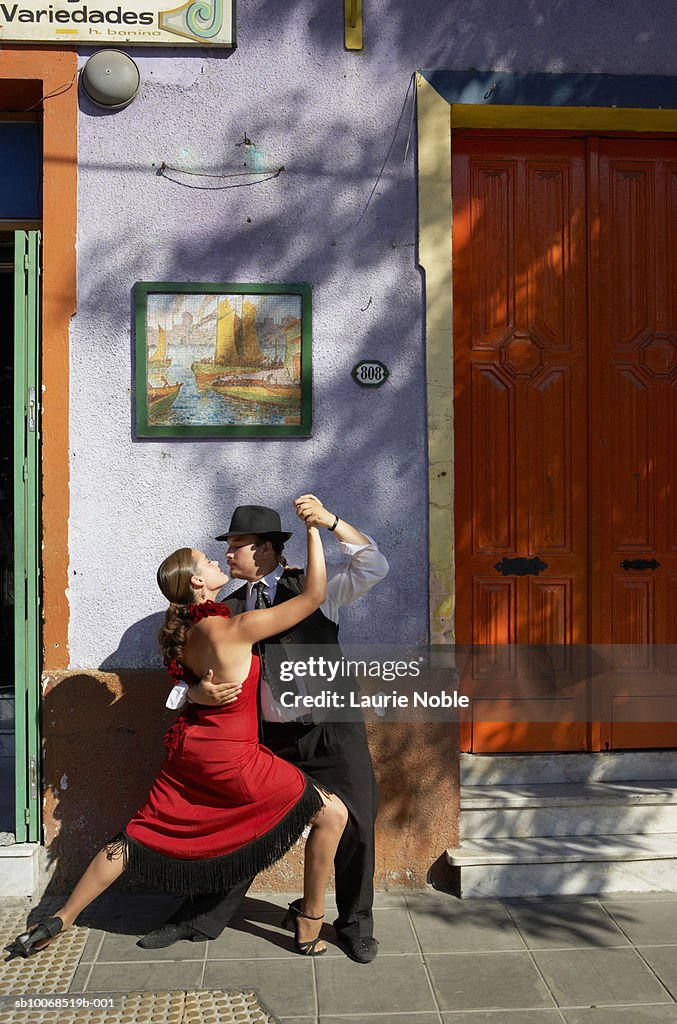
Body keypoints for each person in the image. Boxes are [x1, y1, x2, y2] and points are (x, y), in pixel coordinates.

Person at [11, 519, 348, 959]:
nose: (217, 559)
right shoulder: (233, 627)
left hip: (190, 750)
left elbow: (185, 687)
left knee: (136, 835)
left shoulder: (182, 633)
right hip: (233, 758)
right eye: (208, 560)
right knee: (333, 814)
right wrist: (313, 531)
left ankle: (61, 917)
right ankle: (310, 922)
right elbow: (315, 596)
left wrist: (193, 692)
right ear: (197, 581)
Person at [139, 495, 389, 964]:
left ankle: (354, 924)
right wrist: (192, 696)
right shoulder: (223, 610)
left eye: (238, 544)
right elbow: (184, 674)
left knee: (356, 824)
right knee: (247, 828)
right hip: (265, 741)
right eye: (227, 547)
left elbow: (374, 566)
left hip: (332, 728)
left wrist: (331, 522)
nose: (229, 553)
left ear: (268, 549)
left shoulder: (313, 584)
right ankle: (201, 917)